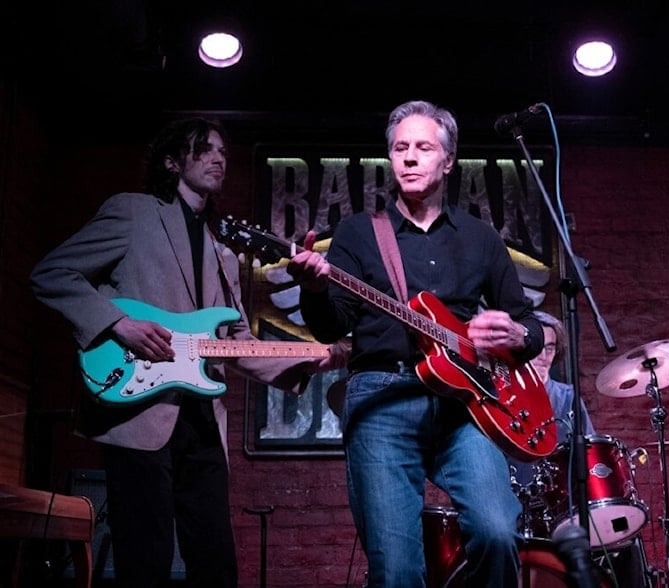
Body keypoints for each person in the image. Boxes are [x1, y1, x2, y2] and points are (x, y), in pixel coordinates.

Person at [30, 117, 343, 587]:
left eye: (222, 152)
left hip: (202, 422)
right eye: (204, 149)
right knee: (145, 561)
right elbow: (53, 274)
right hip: (139, 411)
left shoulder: (223, 253)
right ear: (172, 160)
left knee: (217, 564)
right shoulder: (134, 213)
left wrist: (318, 356)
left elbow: (235, 342)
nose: (218, 158)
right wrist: (120, 324)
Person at [285, 99, 545, 587]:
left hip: (468, 406)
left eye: (422, 147)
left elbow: (529, 324)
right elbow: (329, 326)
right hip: (383, 396)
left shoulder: (480, 237)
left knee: (496, 532)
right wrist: (315, 288)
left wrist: (516, 333)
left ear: (447, 161)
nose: (407, 157)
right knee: (398, 568)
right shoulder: (359, 233)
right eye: (399, 148)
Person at [507, 310, 595, 535]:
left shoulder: (569, 397)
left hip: (560, 510)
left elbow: (590, 452)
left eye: (550, 348)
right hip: (509, 506)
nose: (543, 356)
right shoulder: (502, 396)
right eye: (537, 348)